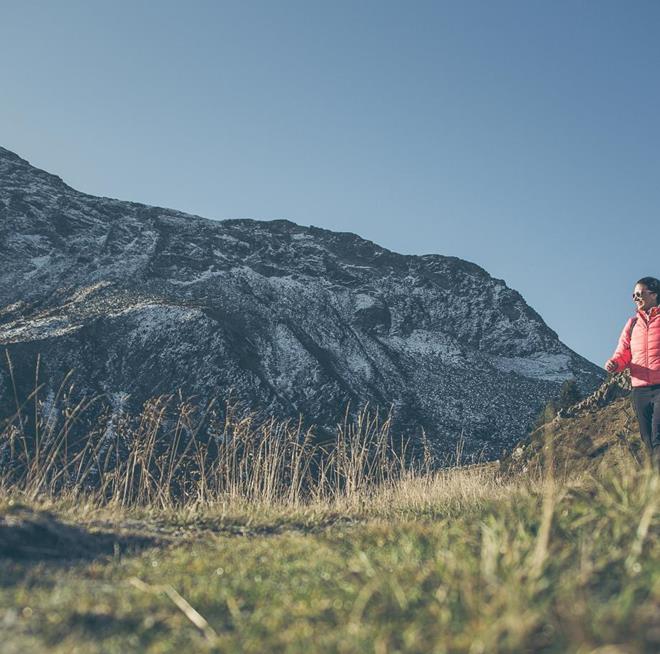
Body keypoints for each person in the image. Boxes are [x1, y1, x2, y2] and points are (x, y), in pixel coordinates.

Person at [605, 276, 660, 470]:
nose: (635, 298)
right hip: (640, 391)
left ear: (654, 294)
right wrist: (615, 364)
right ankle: (654, 489)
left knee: (657, 438)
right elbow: (623, 352)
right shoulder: (633, 323)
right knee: (647, 442)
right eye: (633, 295)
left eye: (640, 294)